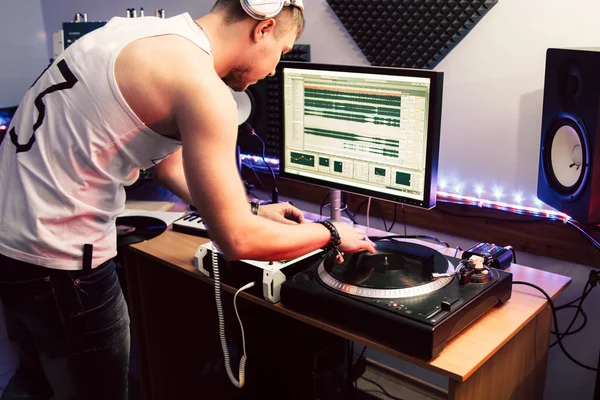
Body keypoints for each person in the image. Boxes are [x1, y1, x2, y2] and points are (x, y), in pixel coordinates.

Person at [0, 0, 376, 398]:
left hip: (12, 241)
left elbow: (169, 167)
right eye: (279, 56)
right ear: (262, 29)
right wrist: (332, 232)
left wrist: (250, 210)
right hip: (61, 260)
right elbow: (238, 242)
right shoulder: (203, 87)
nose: (272, 72)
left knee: (38, 377)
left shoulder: (140, 33)